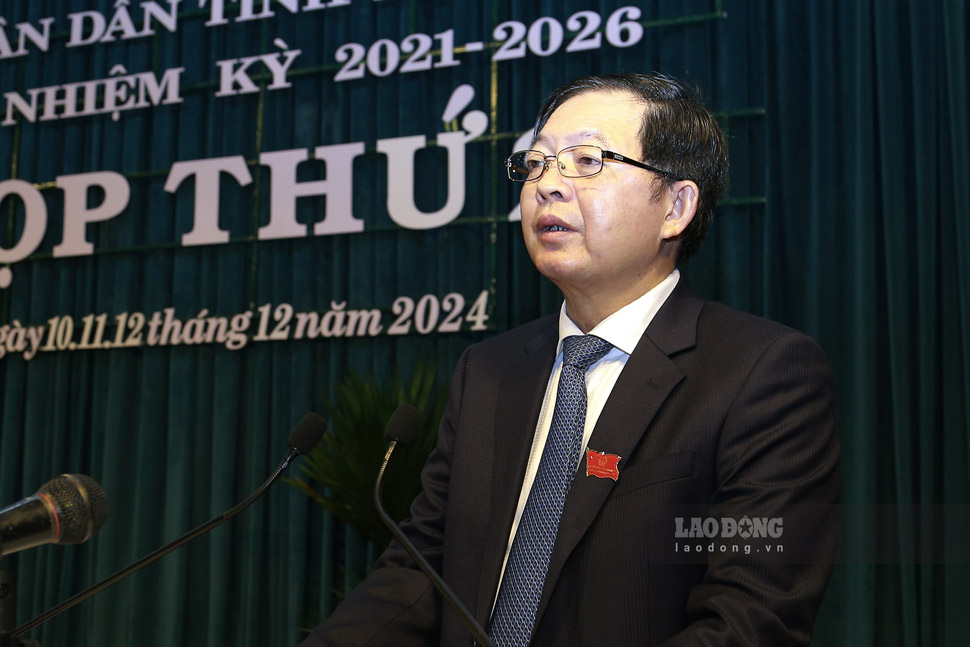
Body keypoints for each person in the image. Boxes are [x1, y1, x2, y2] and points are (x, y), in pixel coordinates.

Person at [301, 72, 840, 647]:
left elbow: (752, 620)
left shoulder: (762, 372)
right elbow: (420, 571)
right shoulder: (489, 372)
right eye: (536, 162)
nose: (547, 185)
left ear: (676, 207)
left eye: (587, 161)